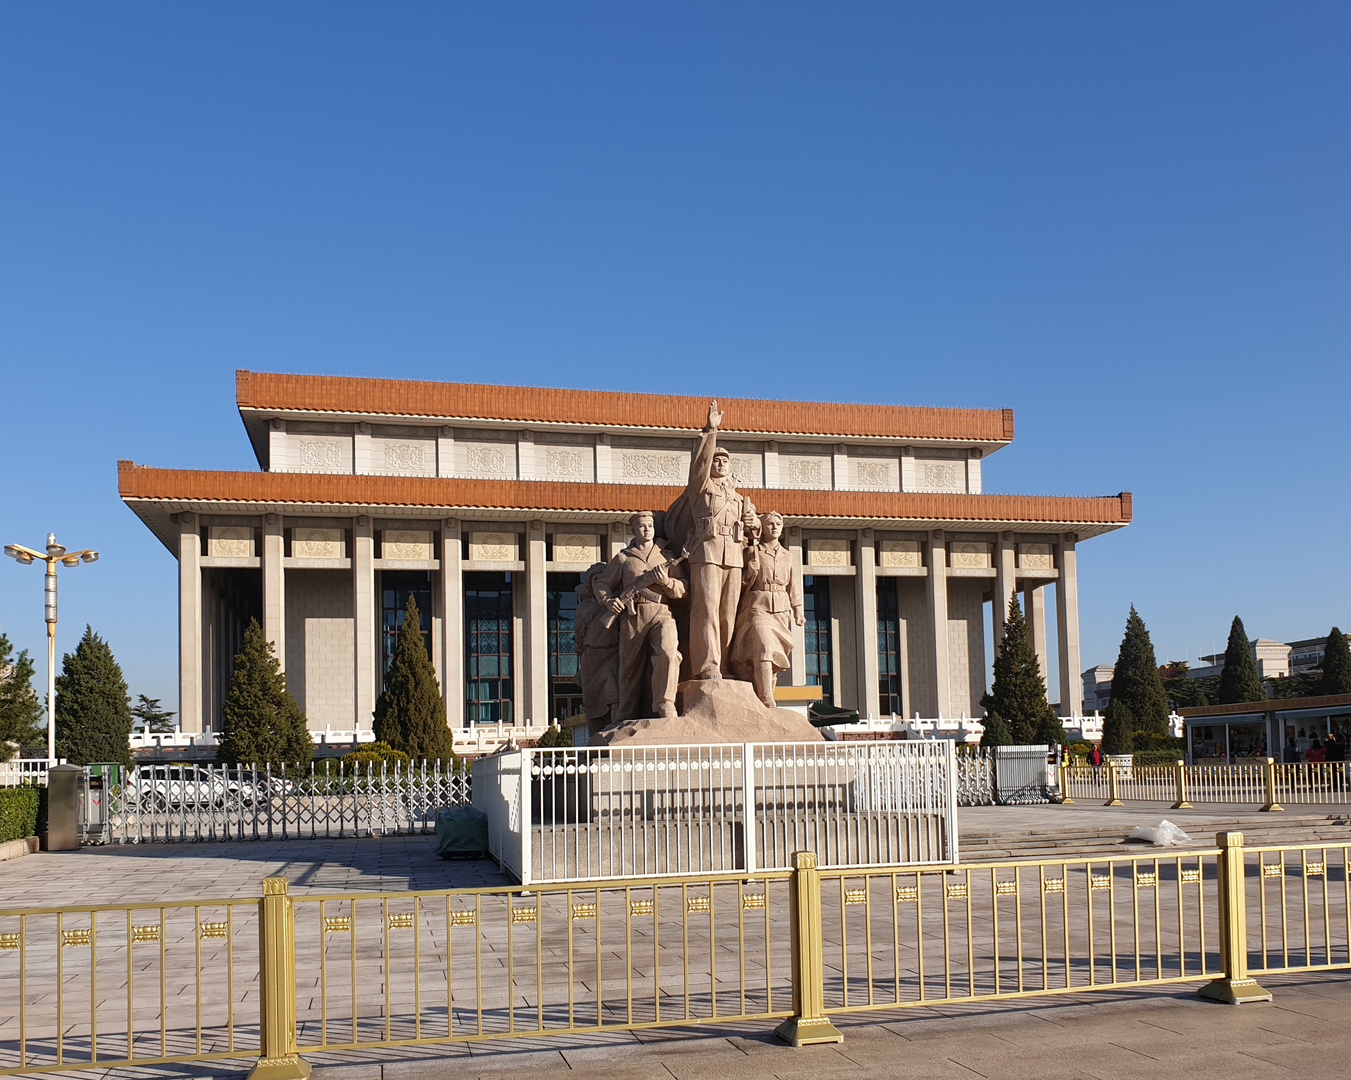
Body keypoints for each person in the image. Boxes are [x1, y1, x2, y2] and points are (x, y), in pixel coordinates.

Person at [682, 400, 757, 680]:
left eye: (725, 461)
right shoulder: (701, 488)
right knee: (706, 610)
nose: (721, 464)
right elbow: (699, 465)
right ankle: (707, 666)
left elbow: (755, 529)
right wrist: (710, 432)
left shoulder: (738, 498)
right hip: (707, 552)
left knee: (727, 614)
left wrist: (754, 525)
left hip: (733, 555)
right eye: (717, 459)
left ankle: (725, 665)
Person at [594, 512, 688, 721]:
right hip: (633, 615)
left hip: (661, 611)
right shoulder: (623, 558)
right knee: (629, 668)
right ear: (634, 530)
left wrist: (666, 583)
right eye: (642, 526)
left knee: (669, 653)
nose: (647, 530)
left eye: (650, 526)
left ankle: (666, 704)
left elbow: (683, 588)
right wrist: (608, 600)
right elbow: (601, 583)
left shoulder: (667, 556)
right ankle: (625, 713)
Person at [728, 512, 804, 707]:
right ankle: (765, 697)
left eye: (778, 523)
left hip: (780, 608)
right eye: (770, 524)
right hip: (757, 605)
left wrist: (798, 610)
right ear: (762, 527)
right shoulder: (752, 552)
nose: (775, 527)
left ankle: (764, 693)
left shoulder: (787, 555)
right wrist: (749, 574)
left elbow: (793, 584)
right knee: (764, 646)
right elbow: (735, 586)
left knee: (774, 658)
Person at [573, 563, 621, 738]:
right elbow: (579, 635)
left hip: (611, 655)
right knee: (593, 702)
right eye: (595, 579)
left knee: (613, 690)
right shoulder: (583, 607)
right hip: (591, 659)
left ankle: (616, 733)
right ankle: (596, 741)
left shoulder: (616, 601)